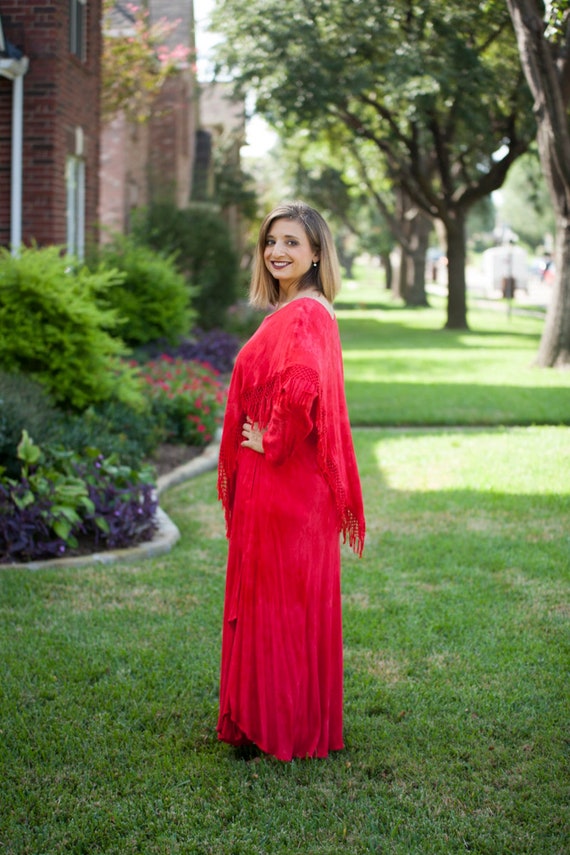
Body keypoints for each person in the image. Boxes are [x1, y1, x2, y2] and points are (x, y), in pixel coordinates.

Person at [217, 201, 365, 761]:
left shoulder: (304, 313)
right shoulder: (306, 310)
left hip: (284, 483)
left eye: (292, 243)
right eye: (271, 241)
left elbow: (303, 388)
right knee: (284, 605)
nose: (277, 251)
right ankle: (280, 718)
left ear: (316, 253)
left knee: (275, 605)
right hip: (289, 489)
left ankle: (270, 725)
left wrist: (271, 439)